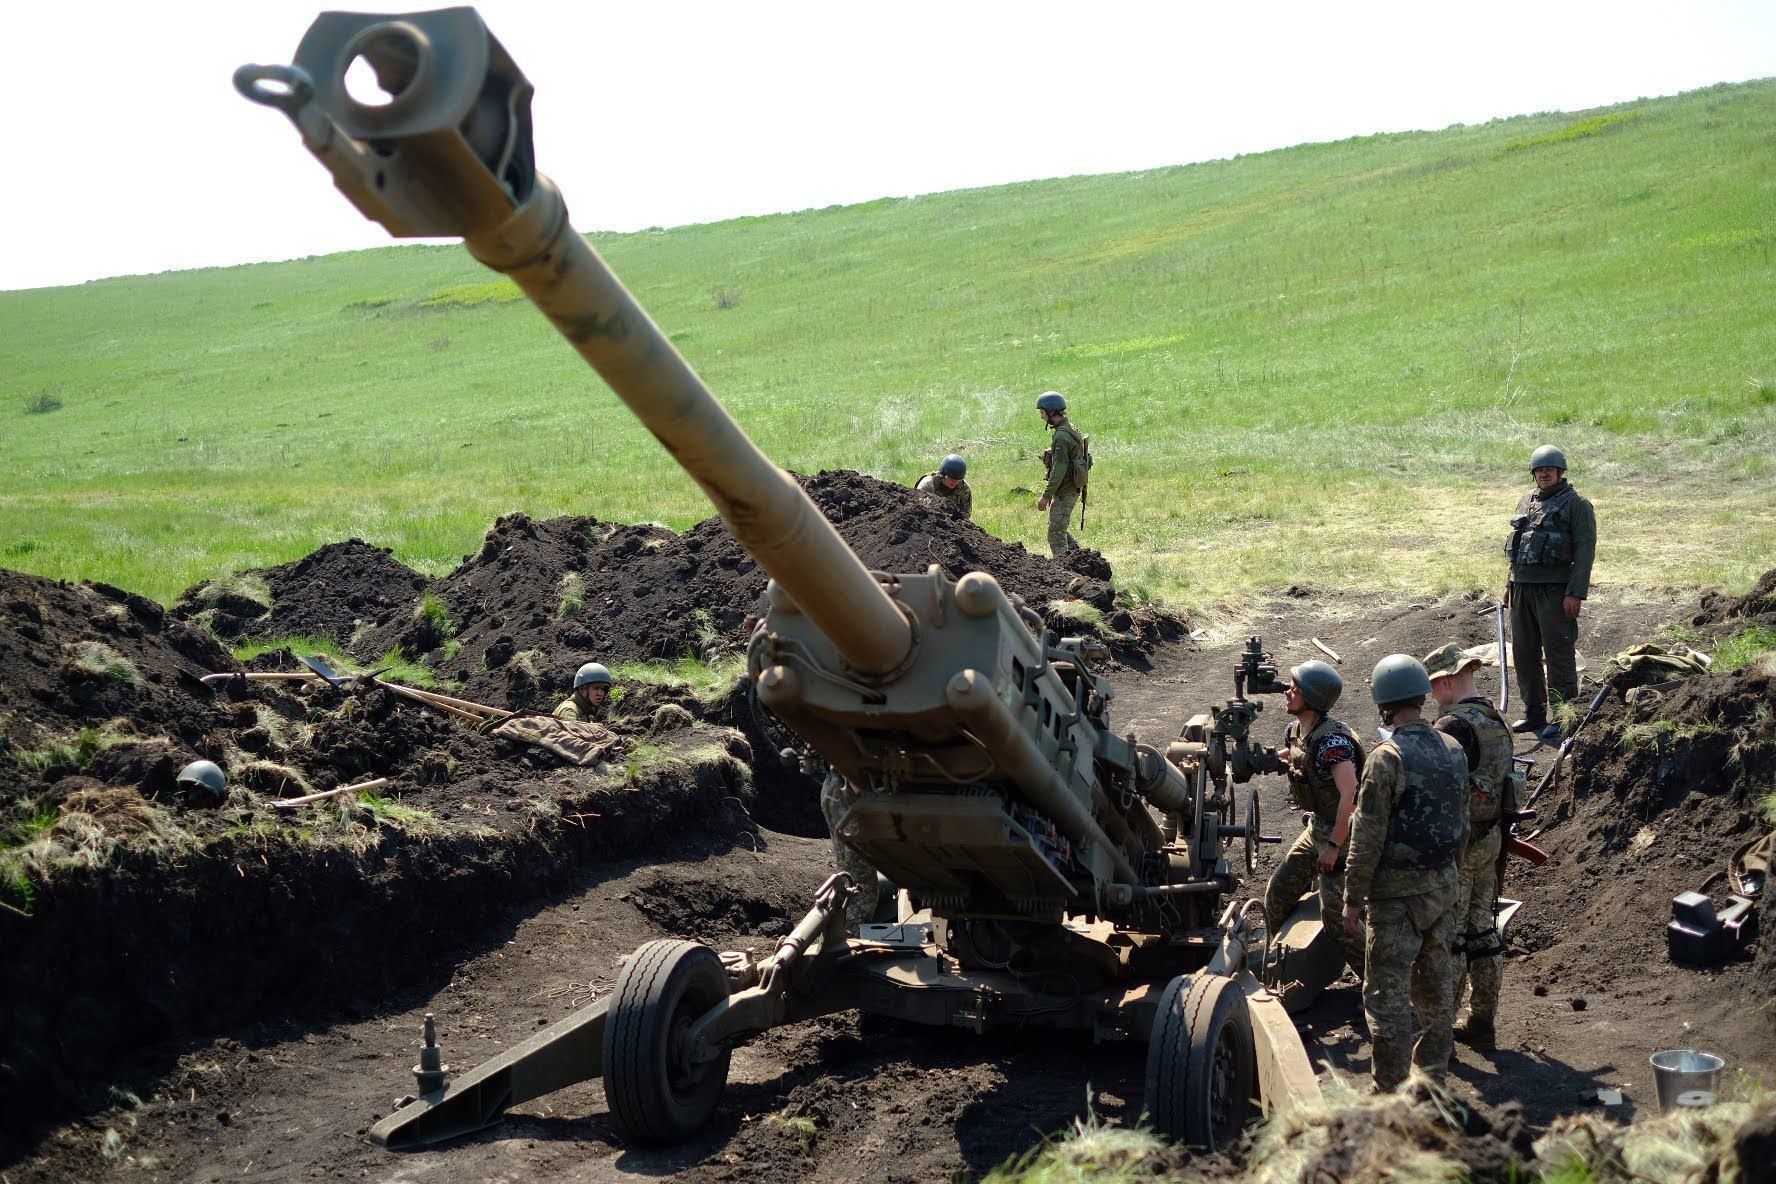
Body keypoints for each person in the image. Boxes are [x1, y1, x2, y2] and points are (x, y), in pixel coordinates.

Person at [1342, 654, 1468, 1092]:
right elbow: (1462, 823)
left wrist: (1352, 898)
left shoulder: (1386, 758)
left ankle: (1391, 1092)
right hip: (1442, 890)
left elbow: (1366, 836)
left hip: (1395, 901)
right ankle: (1432, 1085)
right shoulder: (1452, 749)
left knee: (1387, 998)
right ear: (1420, 696)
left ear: (1383, 704)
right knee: (1437, 994)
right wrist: (1451, 878)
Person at [1424, 643, 1515, 1050]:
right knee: (1484, 931)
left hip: (1459, 844)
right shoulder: (1497, 718)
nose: (1432, 696)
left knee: (1452, 937)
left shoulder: (1452, 726)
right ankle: (1482, 1019)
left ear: (1445, 681)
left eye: (1432, 686)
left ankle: (1439, 1030)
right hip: (1492, 837)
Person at [1262, 659, 1368, 977]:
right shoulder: (1296, 731)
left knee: (1339, 918)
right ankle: (1281, 969)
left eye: (1295, 688)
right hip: (1318, 827)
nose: (1287, 690)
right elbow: (1300, 754)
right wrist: (1271, 758)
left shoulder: (1333, 743)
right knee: (1278, 893)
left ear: (1312, 698)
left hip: (1344, 835)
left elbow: (1350, 795)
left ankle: (1379, 985)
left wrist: (1334, 847)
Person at [1504, 444, 1596, 742]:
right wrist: (1509, 584)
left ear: (1560, 472)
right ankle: (1533, 712)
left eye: (1550, 470)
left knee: (1558, 652)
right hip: (1522, 588)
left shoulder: (1577, 505)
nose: (1544, 474)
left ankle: (1564, 714)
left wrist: (1576, 593)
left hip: (1555, 591)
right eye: (1540, 470)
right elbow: (1519, 546)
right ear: (1533, 474)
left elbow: (1585, 551)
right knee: (1524, 652)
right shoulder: (1525, 501)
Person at [819, 769, 880, 927]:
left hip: (834, 786)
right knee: (861, 875)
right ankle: (853, 930)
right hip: (848, 791)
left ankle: (847, 926)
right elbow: (858, 786)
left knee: (848, 865)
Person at [1034, 391, 1089, 557]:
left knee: (1055, 534)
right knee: (1058, 527)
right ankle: (1080, 559)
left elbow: (1059, 468)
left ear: (1051, 412)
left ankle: (1064, 567)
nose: (1042, 417)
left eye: (1042, 413)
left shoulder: (1062, 436)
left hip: (1065, 491)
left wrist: (1046, 496)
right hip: (1070, 489)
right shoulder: (1069, 428)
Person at [915, 454, 973, 519]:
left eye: (958, 480)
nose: (955, 483)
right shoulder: (927, 485)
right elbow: (918, 510)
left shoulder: (964, 488)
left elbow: (966, 514)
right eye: (951, 479)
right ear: (942, 475)